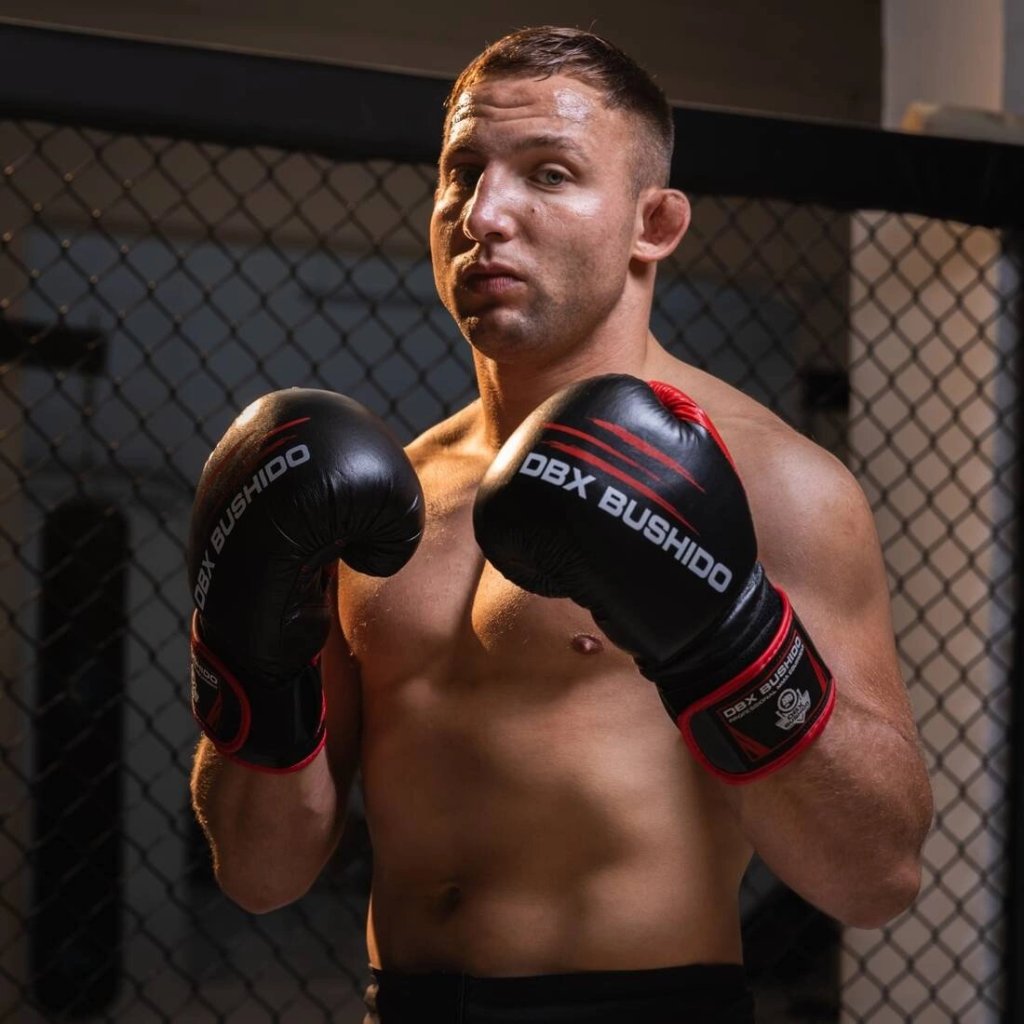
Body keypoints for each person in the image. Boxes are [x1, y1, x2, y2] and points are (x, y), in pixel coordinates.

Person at [188, 26, 934, 1024]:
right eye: (463, 172)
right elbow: (258, 873)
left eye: (549, 173)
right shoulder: (379, 500)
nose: (484, 215)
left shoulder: (771, 483)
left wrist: (731, 638)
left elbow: (876, 876)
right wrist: (247, 659)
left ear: (653, 223)